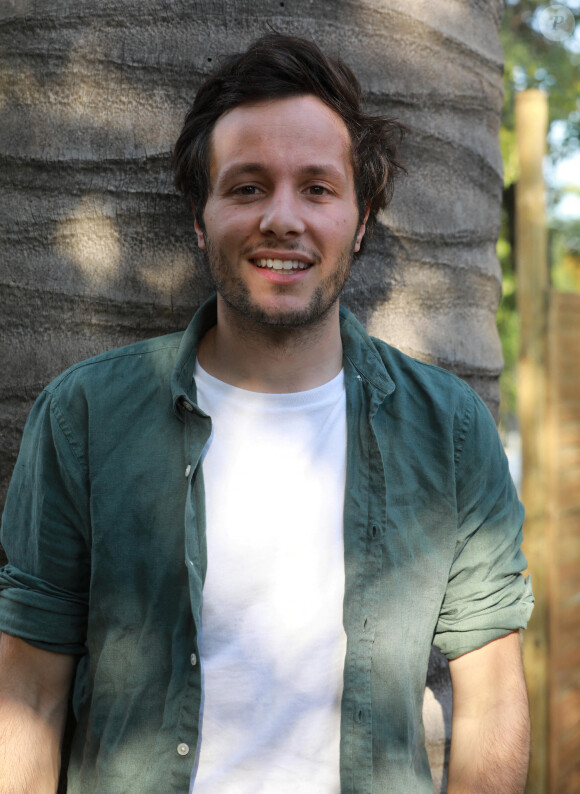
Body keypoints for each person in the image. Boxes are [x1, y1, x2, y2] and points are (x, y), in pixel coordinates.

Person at [0, 33, 533, 794]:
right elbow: (26, 695)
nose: (282, 218)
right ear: (199, 215)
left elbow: (491, 699)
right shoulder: (84, 416)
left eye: (317, 189)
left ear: (361, 217)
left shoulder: (448, 429)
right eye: (248, 187)